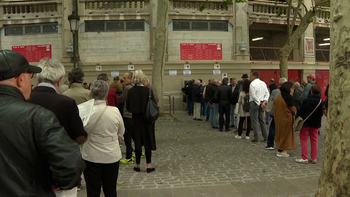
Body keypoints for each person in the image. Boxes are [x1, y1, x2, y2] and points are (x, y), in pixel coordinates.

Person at [0, 50, 85, 196]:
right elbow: (70, 163)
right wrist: (55, 182)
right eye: (30, 76)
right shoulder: (37, 116)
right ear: (20, 79)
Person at [28, 58, 87, 145]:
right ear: (60, 80)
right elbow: (80, 138)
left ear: (38, 79)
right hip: (59, 155)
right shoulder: (67, 103)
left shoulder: (25, 99)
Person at [82, 80, 125, 197]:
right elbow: (121, 131)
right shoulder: (115, 111)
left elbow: (81, 132)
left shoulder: (85, 112)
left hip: (90, 155)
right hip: (111, 155)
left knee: (92, 190)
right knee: (110, 190)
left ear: (90, 94)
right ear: (106, 95)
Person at [127, 70, 157, 173]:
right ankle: (148, 165)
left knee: (137, 143)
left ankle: (137, 165)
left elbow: (128, 107)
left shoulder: (131, 91)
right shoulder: (148, 91)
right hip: (147, 119)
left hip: (136, 119)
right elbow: (154, 103)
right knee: (147, 142)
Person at [295, 84, 324, 164]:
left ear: (311, 91)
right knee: (314, 140)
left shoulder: (306, 100)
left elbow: (301, 111)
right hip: (316, 123)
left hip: (305, 122)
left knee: (303, 139)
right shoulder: (321, 102)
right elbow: (321, 113)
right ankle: (314, 158)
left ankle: (304, 157)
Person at [274, 82, 297, 157]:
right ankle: (281, 150)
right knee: (285, 134)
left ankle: (281, 148)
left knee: (280, 133)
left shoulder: (279, 96)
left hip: (278, 117)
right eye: (292, 88)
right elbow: (293, 110)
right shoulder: (287, 97)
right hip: (286, 118)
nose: (293, 90)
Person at [265, 77, 287, 150]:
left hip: (276, 112)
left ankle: (270, 144)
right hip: (284, 113)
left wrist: (269, 110)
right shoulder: (289, 92)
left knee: (273, 128)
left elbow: (271, 102)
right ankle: (282, 145)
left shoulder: (275, 91)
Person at [118, 71, 135, 164]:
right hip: (134, 114)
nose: (123, 79)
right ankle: (137, 152)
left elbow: (121, 100)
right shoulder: (135, 87)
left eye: (125, 78)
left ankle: (129, 156)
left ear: (130, 79)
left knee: (127, 136)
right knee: (134, 134)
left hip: (127, 114)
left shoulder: (128, 88)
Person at [249, 71, 270, 143]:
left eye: (251, 75)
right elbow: (267, 93)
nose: (250, 76)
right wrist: (264, 102)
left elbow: (253, 95)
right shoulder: (263, 83)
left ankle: (256, 138)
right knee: (262, 121)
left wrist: (258, 103)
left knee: (254, 121)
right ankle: (266, 137)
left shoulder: (252, 84)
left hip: (255, 103)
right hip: (262, 102)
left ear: (254, 76)